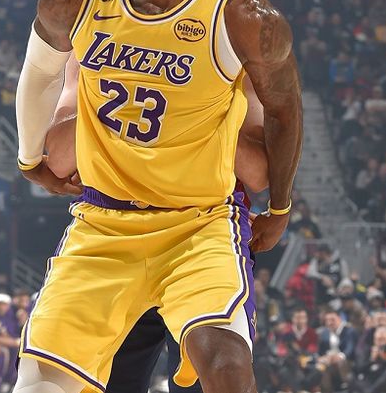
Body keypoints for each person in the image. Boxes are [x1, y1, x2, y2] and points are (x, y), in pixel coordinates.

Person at [13, 0, 302, 393]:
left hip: (199, 223)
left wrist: (280, 208)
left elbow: (285, 112)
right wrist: (28, 157)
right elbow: (38, 74)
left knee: (227, 365)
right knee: (37, 383)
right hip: (104, 223)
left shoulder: (243, 16)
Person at [43, 47, 270, 393]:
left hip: (201, 233)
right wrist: (114, 96)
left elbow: (258, 174)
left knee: (217, 374)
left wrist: (195, 110)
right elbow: (59, 160)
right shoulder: (94, 42)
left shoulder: (232, 46)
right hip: (114, 235)